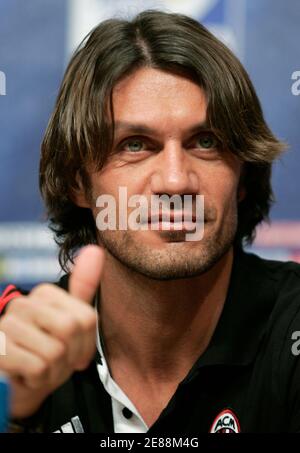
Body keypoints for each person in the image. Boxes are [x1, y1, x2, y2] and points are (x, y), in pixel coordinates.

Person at [0, 9, 299, 434]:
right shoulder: (23, 351)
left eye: (206, 142)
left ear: (243, 177)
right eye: (135, 144)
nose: (175, 180)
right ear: (77, 183)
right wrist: (11, 414)